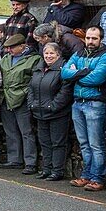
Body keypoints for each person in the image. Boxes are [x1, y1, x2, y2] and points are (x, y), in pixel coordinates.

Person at [62, 26, 106, 191]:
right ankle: (86, 175)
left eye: (94, 38)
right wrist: (85, 72)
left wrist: (76, 75)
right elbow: (64, 73)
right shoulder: (79, 53)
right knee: (84, 143)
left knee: (96, 144)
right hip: (78, 102)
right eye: (88, 38)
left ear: (101, 39)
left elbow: (97, 78)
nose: (90, 41)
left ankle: (97, 178)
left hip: (95, 103)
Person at [28, 43, 74, 181]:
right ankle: (46, 169)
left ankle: (57, 170)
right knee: (44, 142)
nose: (48, 56)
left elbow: (65, 91)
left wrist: (53, 106)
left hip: (57, 113)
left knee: (58, 142)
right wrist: (32, 104)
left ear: (58, 55)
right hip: (39, 112)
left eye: (51, 53)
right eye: (46, 53)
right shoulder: (38, 68)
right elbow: (31, 88)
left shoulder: (63, 69)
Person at [0, 34, 40, 173]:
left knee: (26, 132)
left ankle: (30, 162)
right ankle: (14, 159)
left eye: (12, 47)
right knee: (10, 131)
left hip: (22, 100)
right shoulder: (5, 59)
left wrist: (24, 93)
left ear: (23, 46)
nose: (9, 50)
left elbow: (34, 81)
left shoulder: (34, 59)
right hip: (6, 99)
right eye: (8, 48)